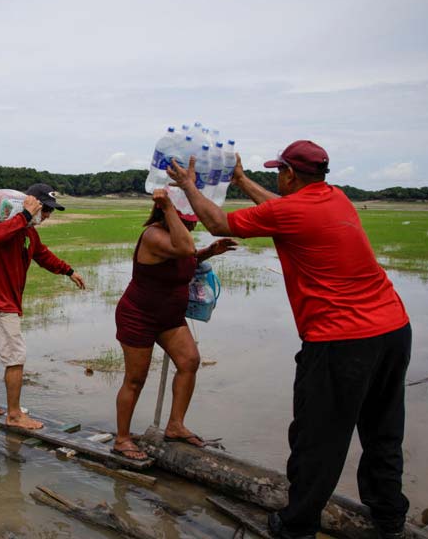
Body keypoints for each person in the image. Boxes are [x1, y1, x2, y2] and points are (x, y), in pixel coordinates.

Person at [167, 140, 411, 539]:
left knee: (318, 437)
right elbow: (278, 209)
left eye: (278, 171)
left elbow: (219, 225)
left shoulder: (292, 210)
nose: (277, 178)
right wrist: (243, 180)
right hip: (393, 329)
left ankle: (296, 527)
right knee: (383, 429)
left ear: (290, 174)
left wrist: (189, 185)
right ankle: (389, 519)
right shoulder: (336, 198)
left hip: (341, 339)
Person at [112, 189, 237, 460]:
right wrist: (168, 206)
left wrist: (209, 252)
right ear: (168, 214)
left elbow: (187, 256)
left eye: (193, 221)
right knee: (135, 380)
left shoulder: (178, 238)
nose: (193, 224)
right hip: (139, 316)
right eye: (188, 219)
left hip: (169, 317)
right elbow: (184, 249)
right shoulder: (154, 235)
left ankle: (175, 425)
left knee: (190, 361)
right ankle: (122, 439)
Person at [0, 184, 87, 430]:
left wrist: (69, 271)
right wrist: (24, 214)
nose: (47, 216)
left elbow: (43, 255)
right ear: (32, 205)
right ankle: (14, 415)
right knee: (16, 358)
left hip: (3, 302)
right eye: (45, 210)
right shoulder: (6, 228)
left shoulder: (29, 233)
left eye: (50, 212)